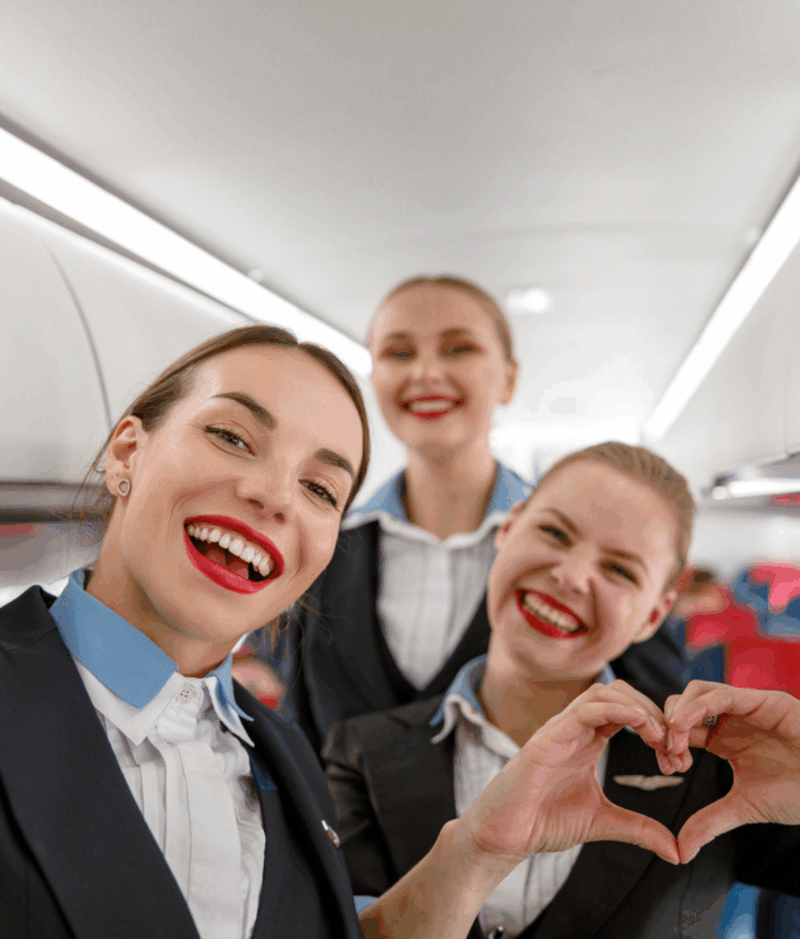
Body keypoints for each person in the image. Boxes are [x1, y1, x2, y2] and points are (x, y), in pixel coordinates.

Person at [0, 326, 694, 939]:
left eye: (321, 489)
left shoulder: (287, 757)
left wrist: (477, 851)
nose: (274, 495)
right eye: (232, 437)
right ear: (126, 451)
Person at [324, 442, 800, 938]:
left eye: (619, 570)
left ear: (653, 616)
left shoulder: (712, 761)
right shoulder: (362, 751)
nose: (570, 577)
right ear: (507, 531)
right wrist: (474, 855)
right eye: (554, 532)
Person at [283, 276, 684, 754]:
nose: (426, 372)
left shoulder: (588, 557)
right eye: (398, 353)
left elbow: (655, 727)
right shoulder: (322, 546)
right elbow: (299, 733)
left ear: (509, 379)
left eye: (458, 349)